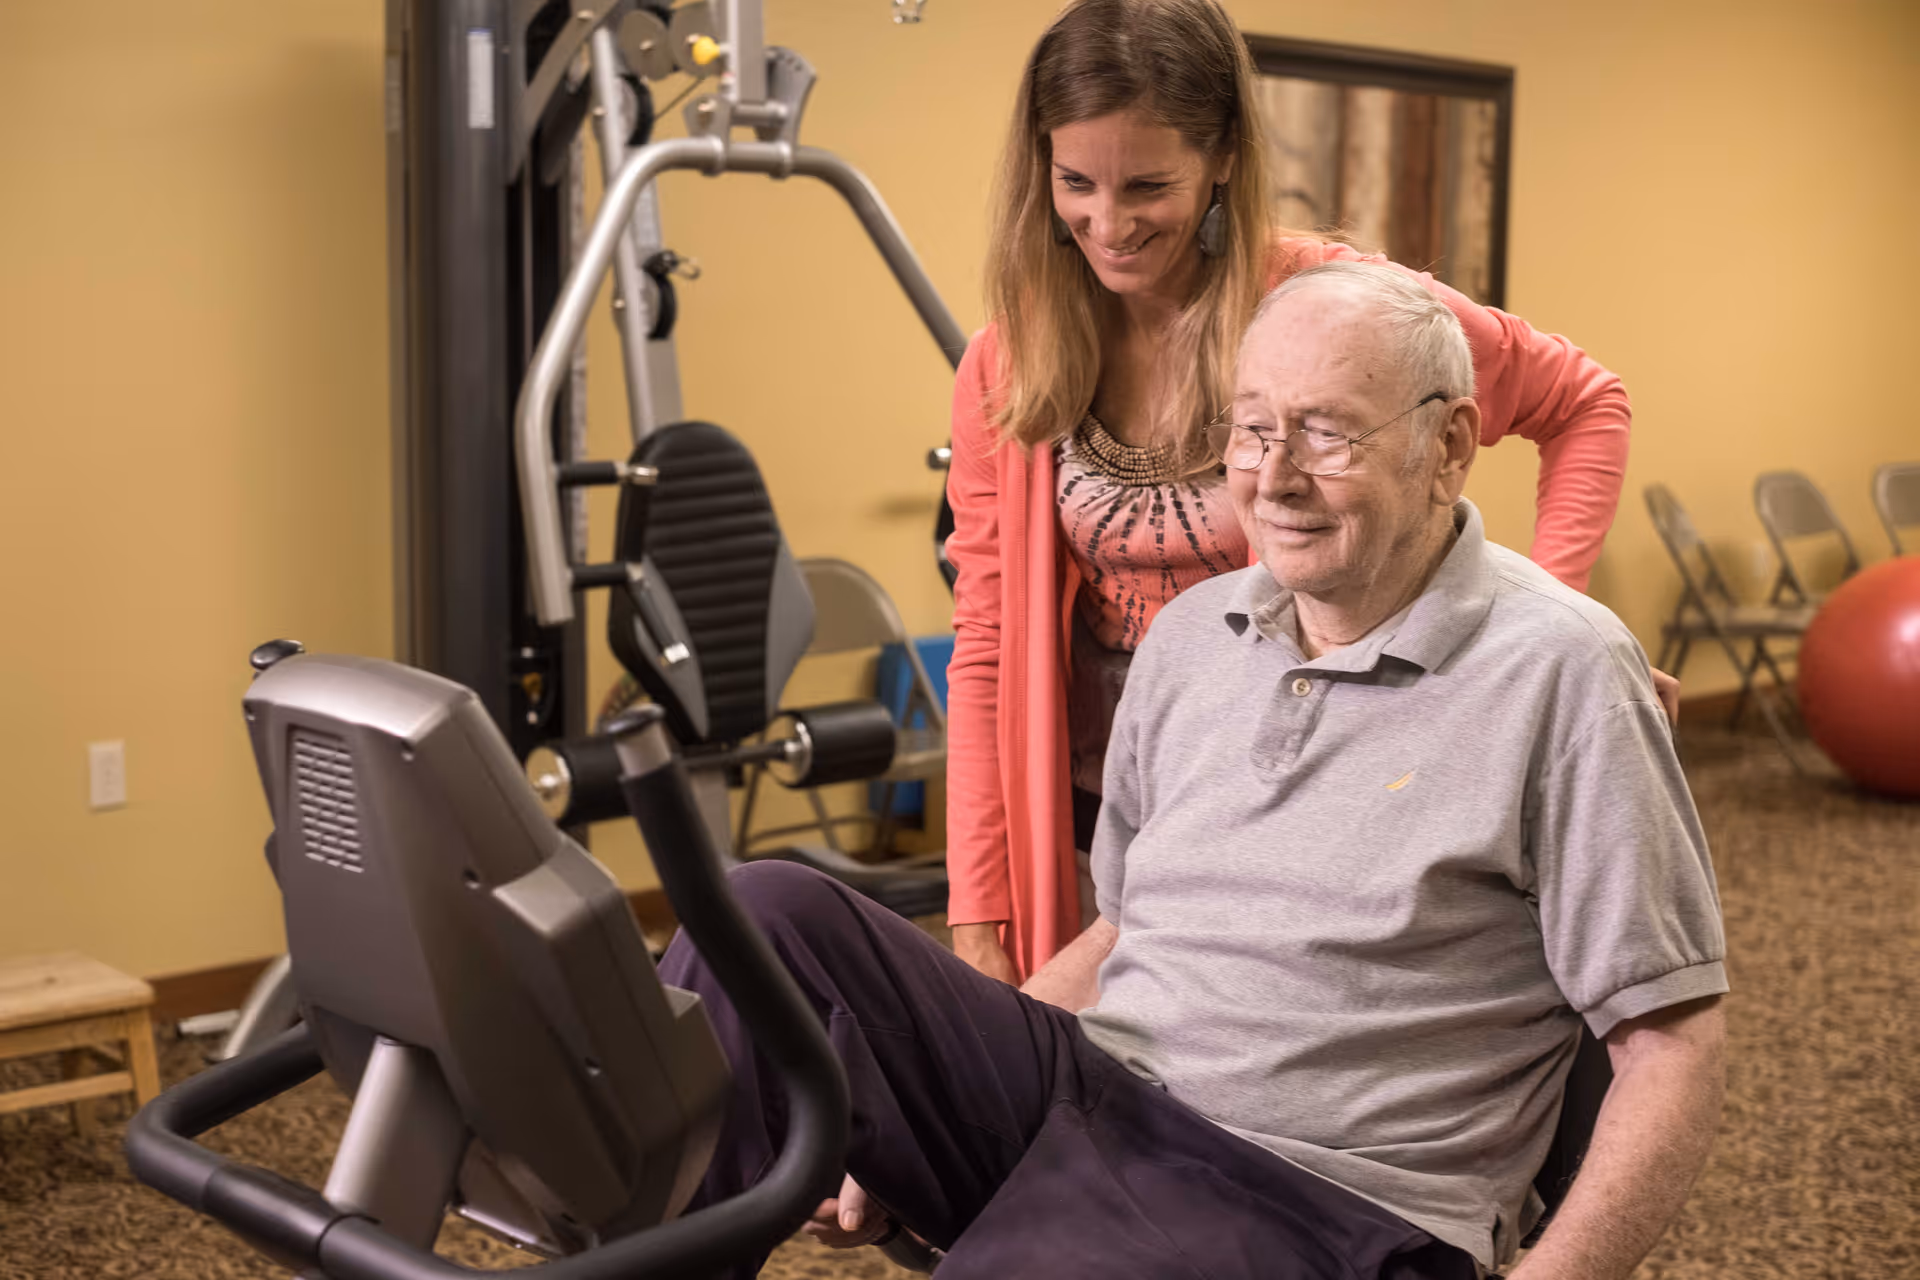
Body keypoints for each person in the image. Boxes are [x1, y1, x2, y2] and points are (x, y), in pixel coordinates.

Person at [659, 261, 1727, 1280]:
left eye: (1326, 432)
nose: (1273, 475)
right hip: (1099, 1095)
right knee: (761, 915)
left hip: (1314, 1196)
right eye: (1253, 427)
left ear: (1450, 444)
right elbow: (1125, 930)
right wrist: (903, 1090)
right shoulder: (1193, 631)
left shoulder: (1568, 671)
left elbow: (1670, 1043)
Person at [944, 0, 1669, 986]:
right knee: (1077, 1093)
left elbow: (1581, 402)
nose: (1108, 225)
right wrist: (979, 903)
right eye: (1076, 183)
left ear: (1225, 157)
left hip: (1298, 799)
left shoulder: (1332, 307)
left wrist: (1550, 634)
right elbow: (986, 636)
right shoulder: (1012, 359)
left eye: (1148, 185)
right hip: (1093, 803)